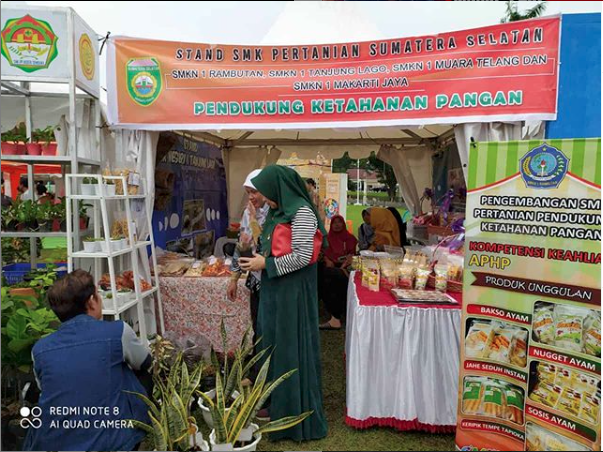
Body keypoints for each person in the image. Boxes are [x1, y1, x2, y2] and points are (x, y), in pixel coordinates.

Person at [240, 165, 328, 442]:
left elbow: (303, 256)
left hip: (292, 294)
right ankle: (276, 404)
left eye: (267, 192)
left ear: (281, 188)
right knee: (273, 345)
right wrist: (256, 255)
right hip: (275, 290)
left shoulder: (301, 212)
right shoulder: (280, 211)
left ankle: (293, 413)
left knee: (290, 346)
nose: (264, 198)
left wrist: (265, 263)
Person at [24, 270, 151, 452]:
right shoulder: (117, 332)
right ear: (91, 301)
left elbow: (46, 388)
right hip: (112, 442)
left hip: (52, 442)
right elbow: (145, 362)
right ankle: (134, 428)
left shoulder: (40, 349)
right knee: (137, 374)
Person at [228, 169, 269, 345]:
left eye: (254, 191)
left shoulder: (274, 212)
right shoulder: (249, 212)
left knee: (267, 325)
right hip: (255, 277)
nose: (250, 197)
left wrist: (253, 219)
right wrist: (234, 278)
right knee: (257, 323)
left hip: (270, 275)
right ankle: (257, 362)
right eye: (248, 193)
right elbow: (242, 244)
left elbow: (264, 245)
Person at [319, 214, 358, 330]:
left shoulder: (350, 238)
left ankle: (336, 317)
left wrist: (345, 264)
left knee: (333, 277)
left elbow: (352, 255)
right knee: (324, 275)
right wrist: (327, 259)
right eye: (334, 223)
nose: (337, 225)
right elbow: (324, 252)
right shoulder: (327, 238)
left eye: (339, 222)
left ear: (343, 224)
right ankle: (334, 315)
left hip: (346, 268)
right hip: (331, 266)